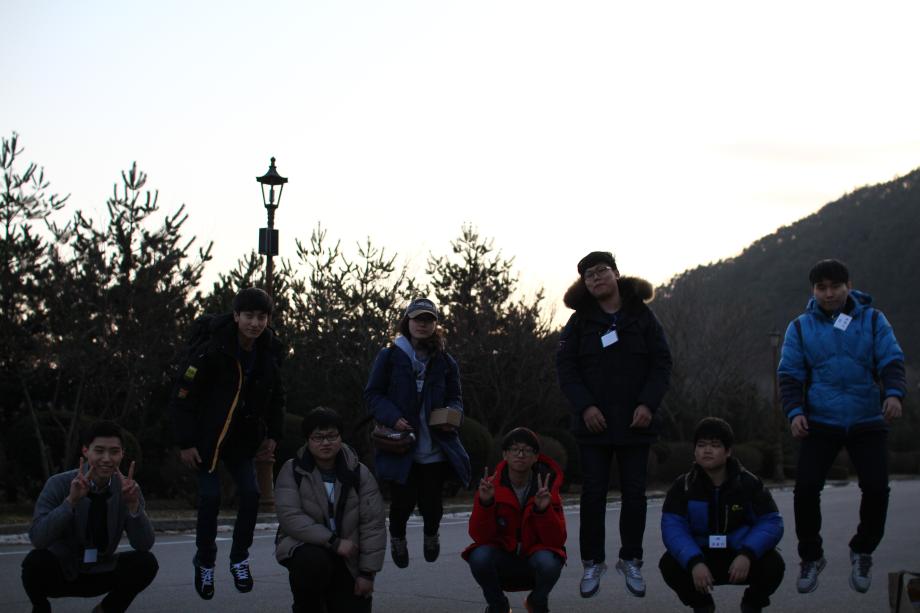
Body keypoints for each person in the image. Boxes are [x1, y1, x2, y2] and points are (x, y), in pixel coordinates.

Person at [778, 258, 906, 594]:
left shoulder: (874, 320)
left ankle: (863, 549)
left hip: (867, 417)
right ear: (813, 290)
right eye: (821, 288)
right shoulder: (800, 327)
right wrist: (795, 412)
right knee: (806, 489)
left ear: (849, 286)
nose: (829, 293)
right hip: (821, 419)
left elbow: (891, 359)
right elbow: (789, 375)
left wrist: (894, 394)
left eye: (835, 286)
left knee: (877, 488)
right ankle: (811, 556)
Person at [556, 251, 672, 598]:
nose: (596, 278)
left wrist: (648, 404)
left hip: (636, 422)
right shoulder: (579, 322)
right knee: (593, 494)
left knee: (634, 494)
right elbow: (566, 369)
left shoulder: (642, 316)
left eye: (601, 271)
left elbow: (662, 363)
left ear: (616, 273)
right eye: (588, 275)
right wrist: (586, 407)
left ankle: (631, 559)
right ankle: (593, 562)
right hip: (593, 425)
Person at [170, 287, 286, 599]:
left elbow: (277, 398)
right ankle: (205, 561)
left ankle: (239, 559)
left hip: (241, 441)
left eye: (261, 317)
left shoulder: (267, 353)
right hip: (206, 440)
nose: (255, 323)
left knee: (251, 494)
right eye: (248, 316)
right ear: (236, 316)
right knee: (210, 498)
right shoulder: (212, 349)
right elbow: (183, 396)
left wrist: (273, 435)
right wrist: (185, 442)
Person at [364, 297, 471, 568]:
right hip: (402, 446)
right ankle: (397, 538)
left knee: (432, 505)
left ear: (435, 325)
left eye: (428, 320)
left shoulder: (445, 361)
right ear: (407, 322)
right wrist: (394, 417)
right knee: (401, 503)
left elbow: (456, 397)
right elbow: (373, 395)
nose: (422, 324)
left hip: (435, 446)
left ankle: (431, 535)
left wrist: (451, 415)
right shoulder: (389, 356)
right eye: (417, 319)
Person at [21, 421, 158, 613]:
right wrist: (71, 501)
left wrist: (134, 506)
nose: (107, 459)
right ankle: (41, 608)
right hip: (63, 571)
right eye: (99, 451)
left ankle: (106, 610)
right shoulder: (59, 484)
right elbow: (38, 538)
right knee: (34, 563)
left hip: (101, 570)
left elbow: (144, 544)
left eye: (114, 452)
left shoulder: (127, 489)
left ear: (122, 454)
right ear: (86, 451)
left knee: (146, 563)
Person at [659, 417, 785, 613]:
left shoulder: (748, 483)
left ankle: (752, 604)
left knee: (773, 564)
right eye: (701, 445)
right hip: (701, 553)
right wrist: (694, 562)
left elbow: (770, 522)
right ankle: (702, 605)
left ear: (728, 451)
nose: (707, 450)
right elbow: (673, 527)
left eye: (715, 445)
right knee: (669, 564)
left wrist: (747, 554)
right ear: (695, 451)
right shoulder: (683, 486)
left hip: (738, 553)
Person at [275, 407, 386, 613]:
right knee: (312, 563)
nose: (325, 443)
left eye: (332, 436)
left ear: (340, 437)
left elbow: (373, 524)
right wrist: (333, 542)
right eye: (318, 437)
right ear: (307, 440)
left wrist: (367, 574)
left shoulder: (359, 473)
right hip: (307, 549)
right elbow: (290, 516)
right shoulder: (292, 470)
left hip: (348, 556)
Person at [463, 428, 567, 613]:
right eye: (514, 449)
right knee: (479, 556)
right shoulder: (491, 487)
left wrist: (543, 511)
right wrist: (486, 504)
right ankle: (498, 606)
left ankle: (537, 602)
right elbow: (479, 536)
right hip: (503, 555)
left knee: (551, 562)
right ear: (505, 454)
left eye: (527, 450)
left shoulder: (547, 489)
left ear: (536, 457)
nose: (520, 454)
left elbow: (557, 540)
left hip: (533, 556)